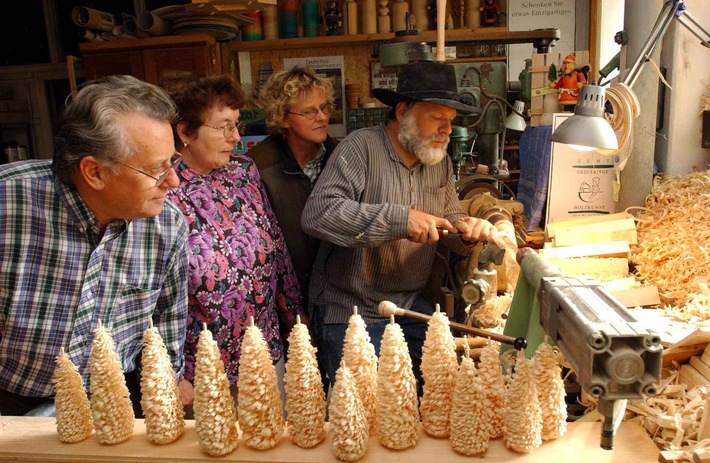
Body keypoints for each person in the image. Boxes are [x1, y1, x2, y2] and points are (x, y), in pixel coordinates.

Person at [301, 61, 499, 393]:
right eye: (437, 118)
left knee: (432, 401)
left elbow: (448, 220)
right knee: (367, 416)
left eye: (450, 121)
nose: (446, 130)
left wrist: (467, 231)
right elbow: (318, 213)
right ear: (403, 110)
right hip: (351, 309)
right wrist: (400, 220)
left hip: (409, 306)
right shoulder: (360, 148)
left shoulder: (439, 161)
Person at [0, 75, 192, 416]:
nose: (173, 181)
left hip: (111, 403)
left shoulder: (167, 225)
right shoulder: (8, 203)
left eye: (173, 162)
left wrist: (166, 389)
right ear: (95, 172)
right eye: (155, 169)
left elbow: (166, 328)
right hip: (11, 403)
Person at [159, 72, 304, 412]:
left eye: (236, 124)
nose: (236, 137)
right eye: (223, 126)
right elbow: (149, 293)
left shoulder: (244, 172)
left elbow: (277, 249)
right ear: (184, 132)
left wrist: (296, 318)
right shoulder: (163, 191)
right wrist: (171, 371)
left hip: (263, 351)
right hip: (204, 370)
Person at [249, 65, 338, 391]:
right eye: (309, 111)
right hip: (285, 298)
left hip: (334, 291)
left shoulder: (340, 156)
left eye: (324, 108)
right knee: (300, 388)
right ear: (283, 119)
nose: (321, 117)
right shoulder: (259, 166)